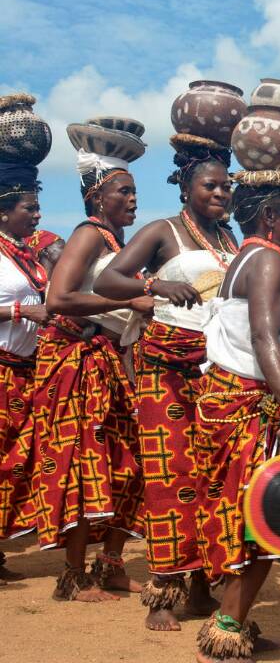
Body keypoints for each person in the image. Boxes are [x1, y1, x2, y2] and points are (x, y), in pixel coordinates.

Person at [94, 133, 237, 628]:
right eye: (211, 186)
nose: (221, 194)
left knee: (212, 477)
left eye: (227, 186)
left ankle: (202, 587)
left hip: (213, 367)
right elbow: (107, 282)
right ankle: (163, 594)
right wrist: (155, 285)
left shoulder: (230, 240)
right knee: (170, 476)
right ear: (187, 189)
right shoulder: (162, 232)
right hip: (164, 368)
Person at [193, 173, 280, 662]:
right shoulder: (266, 260)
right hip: (254, 400)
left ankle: (232, 618)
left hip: (239, 396)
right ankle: (224, 631)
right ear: (269, 217)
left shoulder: (251, 257)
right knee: (262, 518)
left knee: (250, 513)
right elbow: (265, 336)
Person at [35, 122, 150, 602]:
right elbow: (58, 298)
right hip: (80, 362)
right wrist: (124, 305)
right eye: (123, 191)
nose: (132, 199)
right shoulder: (89, 235)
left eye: (134, 191)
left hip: (111, 360)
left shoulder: (117, 243)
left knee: (137, 462)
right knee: (88, 464)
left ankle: (111, 562)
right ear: (98, 196)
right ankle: (74, 574)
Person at [0, 163, 51, 583]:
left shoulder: (23, 254)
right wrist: (21, 309)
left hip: (23, 372)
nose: (36, 216)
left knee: (16, 464)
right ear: (3, 212)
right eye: (29, 208)